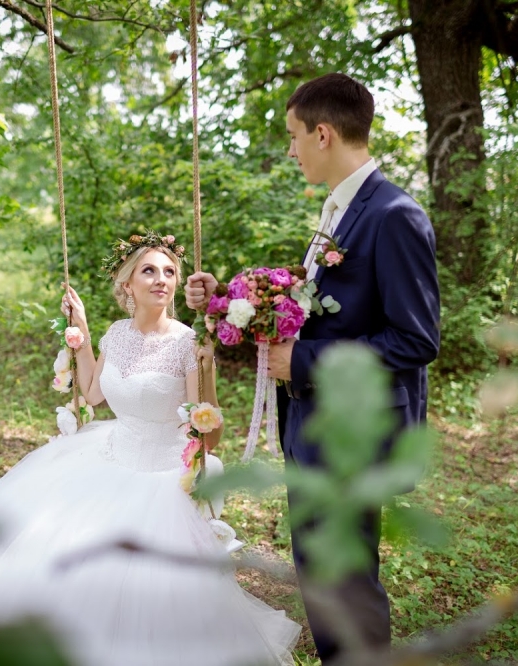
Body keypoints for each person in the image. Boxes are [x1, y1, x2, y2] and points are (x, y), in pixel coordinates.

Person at [0, 232, 300, 666]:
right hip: (109, 456)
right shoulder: (116, 334)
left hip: (162, 474)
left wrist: (207, 370)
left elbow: (209, 436)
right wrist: (83, 332)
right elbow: (92, 393)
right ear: (128, 284)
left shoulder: (189, 344)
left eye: (169, 272)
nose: (161, 280)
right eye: (149, 271)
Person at [186, 73, 440, 662]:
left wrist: (304, 360)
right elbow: (318, 311)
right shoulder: (341, 209)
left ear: (322, 134)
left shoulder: (393, 215)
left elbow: (415, 339)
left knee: (345, 586)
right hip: (314, 428)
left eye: (293, 136)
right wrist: (224, 300)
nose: (291, 150)